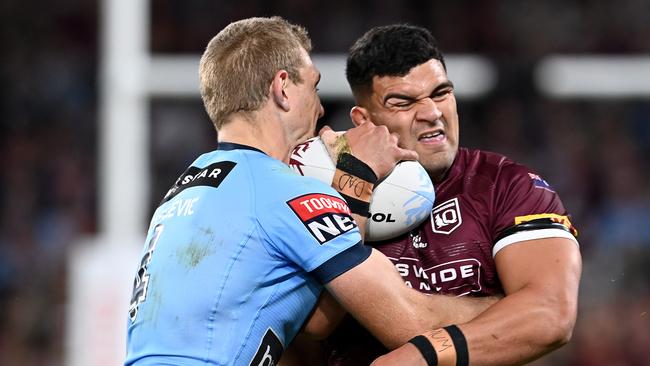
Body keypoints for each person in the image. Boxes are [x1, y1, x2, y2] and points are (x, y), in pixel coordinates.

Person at [124, 17, 495, 366]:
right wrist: (521, 309)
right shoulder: (279, 192)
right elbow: (406, 322)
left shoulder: (189, 189)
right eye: (313, 86)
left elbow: (317, 321)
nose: (319, 109)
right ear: (282, 88)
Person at [303, 24, 581, 366]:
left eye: (441, 93)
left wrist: (421, 354)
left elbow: (549, 314)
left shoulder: (508, 186)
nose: (432, 113)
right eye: (403, 102)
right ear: (364, 120)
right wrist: (500, 307)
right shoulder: (318, 185)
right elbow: (313, 321)